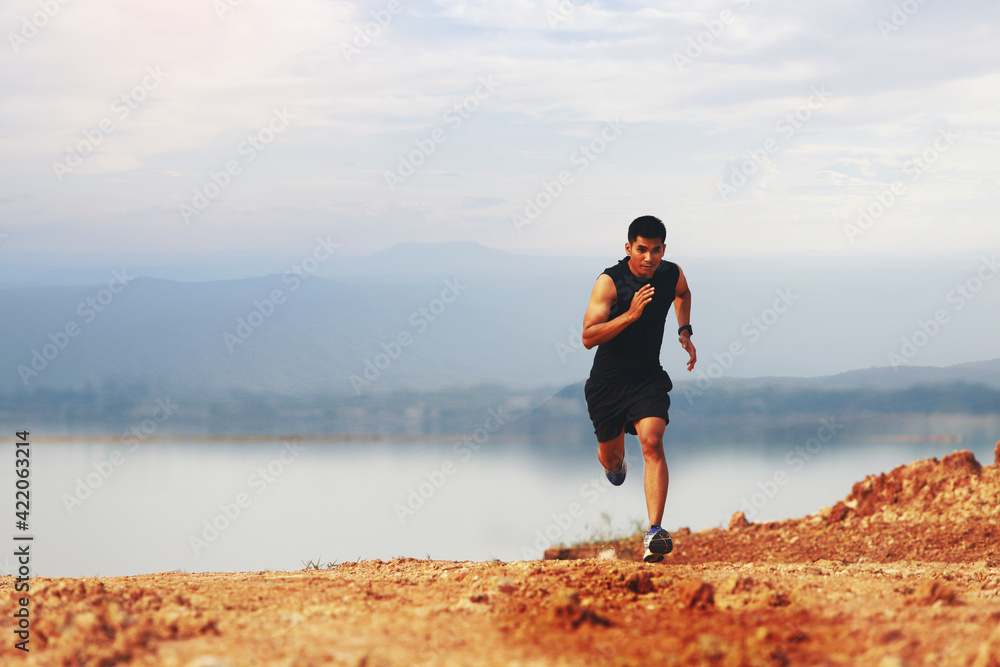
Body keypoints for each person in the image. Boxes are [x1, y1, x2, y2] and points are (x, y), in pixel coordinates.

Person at [581, 215, 697, 563]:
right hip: (607, 385)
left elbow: (683, 293)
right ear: (629, 247)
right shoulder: (610, 282)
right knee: (612, 459)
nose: (649, 258)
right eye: (642, 249)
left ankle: (654, 533)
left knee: (652, 441)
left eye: (656, 250)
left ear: (664, 250)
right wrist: (629, 316)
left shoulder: (670, 274)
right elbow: (588, 337)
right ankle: (615, 467)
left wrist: (685, 330)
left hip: (647, 378)